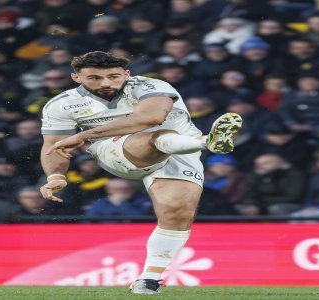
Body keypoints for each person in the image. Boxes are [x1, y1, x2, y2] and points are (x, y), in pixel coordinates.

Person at [39, 51, 242, 294]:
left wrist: (83, 135)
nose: (105, 83)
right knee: (154, 138)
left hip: (180, 151)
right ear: (76, 78)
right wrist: (56, 176)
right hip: (114, 149)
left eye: (113, 76)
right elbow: (54, 145)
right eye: (94, 78)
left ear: (127, 74)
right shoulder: (61, 104)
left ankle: (149, 280)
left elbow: (151, 117)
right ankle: (208, 142)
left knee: (177, 213)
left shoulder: (152, 85)